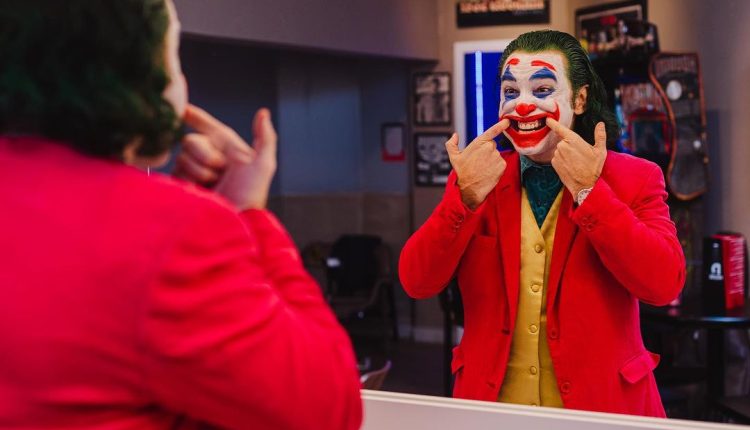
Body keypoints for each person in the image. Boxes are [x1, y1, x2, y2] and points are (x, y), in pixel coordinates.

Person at [0, 1, 362, 429]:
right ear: (131, 70)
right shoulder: (169, 233)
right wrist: (249, 214)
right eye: (175, 55)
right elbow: (326, 408)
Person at [399, 30, 685, 417]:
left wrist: (590, 192)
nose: (523, 106)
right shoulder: (477, 178)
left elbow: (663, 283)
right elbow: (417, 281)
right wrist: (462, 201)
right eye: (511, 92)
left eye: (543, 88)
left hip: (605, 411)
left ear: (580, 99)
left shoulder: (636, 177)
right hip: (491, 411)